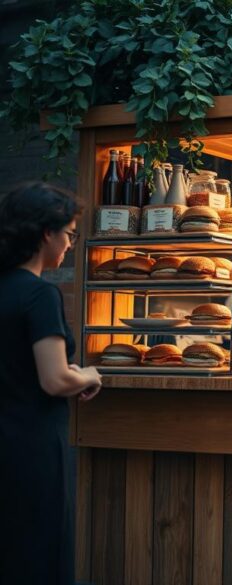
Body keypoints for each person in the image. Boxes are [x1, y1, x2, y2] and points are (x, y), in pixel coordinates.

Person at [0, 182, 103, 584]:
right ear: (47, 233)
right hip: (34, 449)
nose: (70, 245)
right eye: (70, 234)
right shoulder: (39, 294)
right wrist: (89, 375)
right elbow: (54, 378)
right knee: (40, 554)